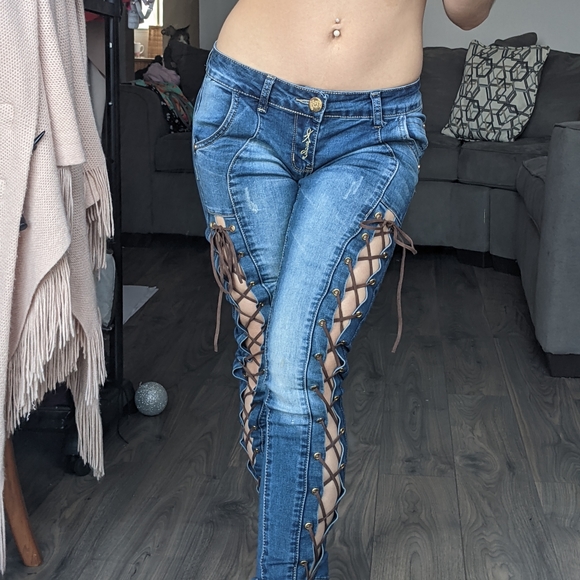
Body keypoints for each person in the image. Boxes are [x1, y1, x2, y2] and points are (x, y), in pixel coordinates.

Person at [192, 1, 495, 578]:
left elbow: (466, 12)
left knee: (297, 366)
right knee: (265, 363)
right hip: (245, 108)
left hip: (374, 131)